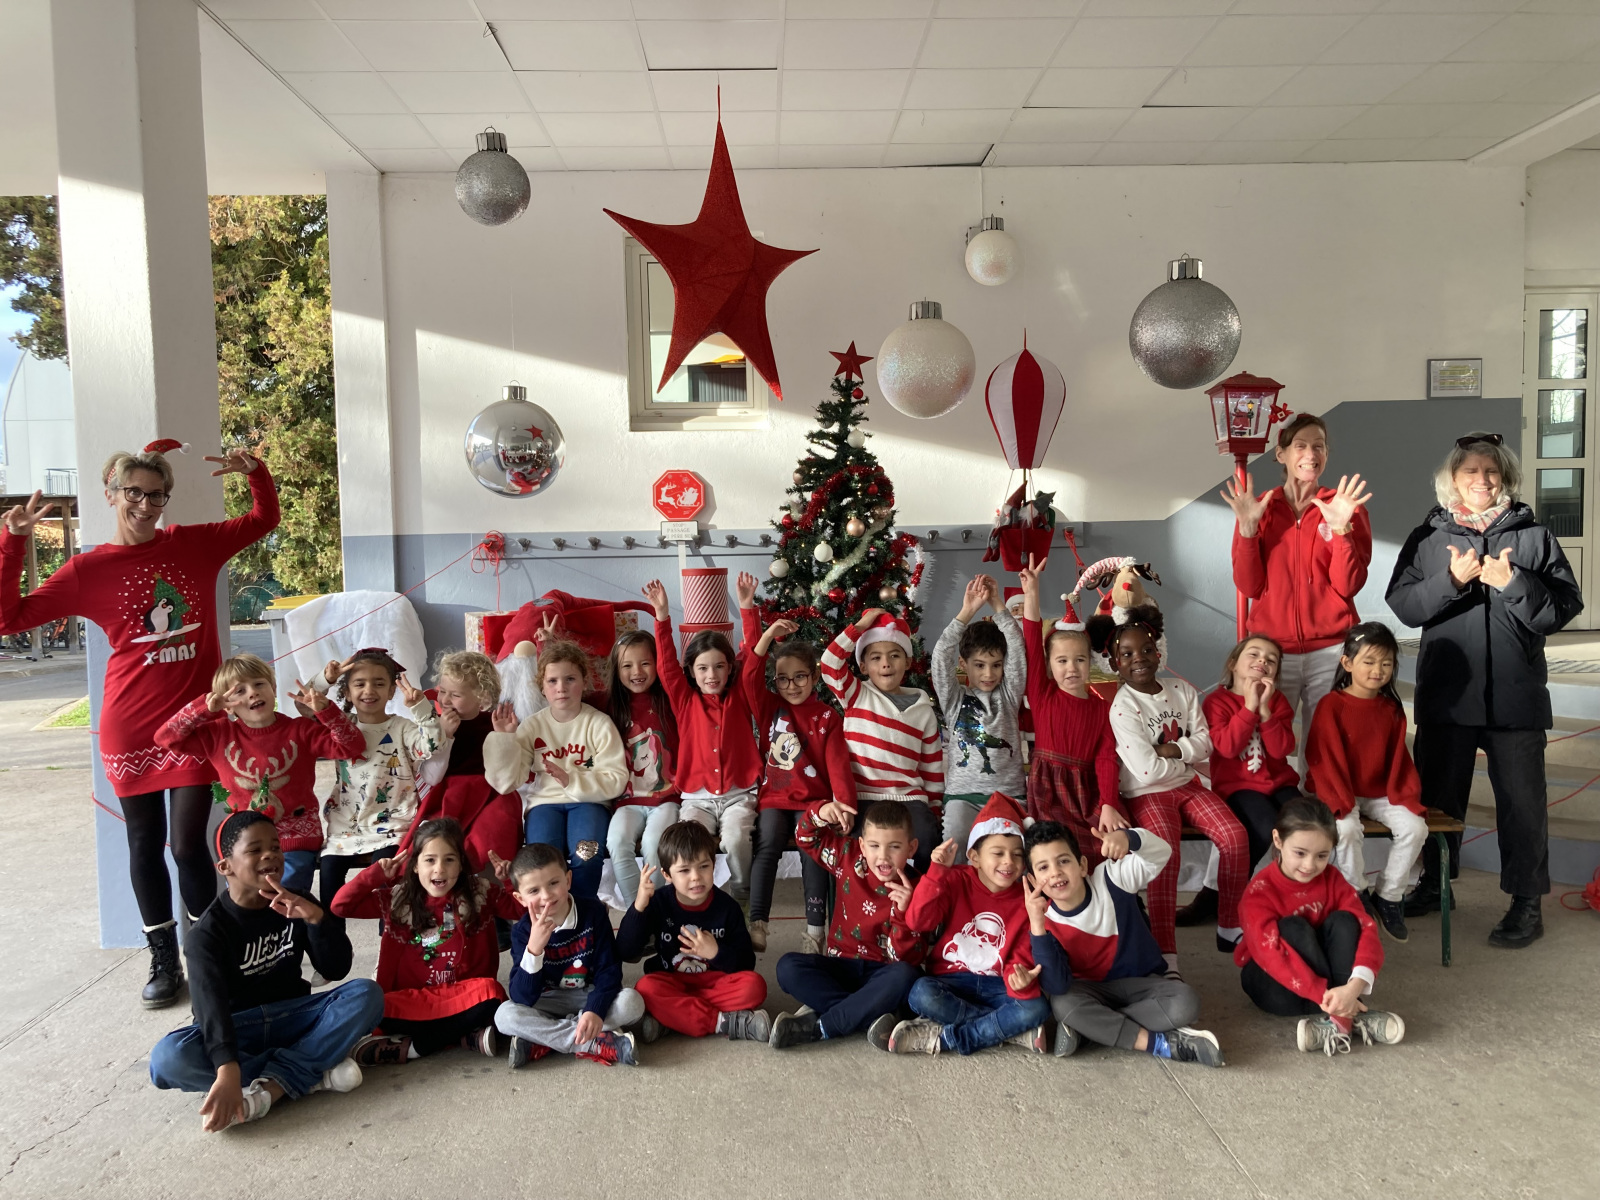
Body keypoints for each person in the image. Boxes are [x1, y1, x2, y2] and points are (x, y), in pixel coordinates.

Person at [0, 445, 278, 1006]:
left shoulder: (193, 545)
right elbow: (9, 618)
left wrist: (257, 473)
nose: (146, 505)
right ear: (111, 494)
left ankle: (210, 951)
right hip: (131, 728)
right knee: (144, 842)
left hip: (195, 725)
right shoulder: (87, 570)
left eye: (156, 495)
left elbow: (262, 520)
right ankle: (162, 958)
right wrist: (12, 542)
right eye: (134, 493)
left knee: (189, 844)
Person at [1387, 431, 1583, 949]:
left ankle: (1526, 902)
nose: (1482, 479)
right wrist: (1449, 581)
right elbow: (1403, 605)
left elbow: (1562, 609)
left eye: (1491, 471)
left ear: (1505, 478)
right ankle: (1434, 884)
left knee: (1523, 806)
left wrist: (1513, 583)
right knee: (1437, 798)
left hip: (1515, 699)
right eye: (1471, 471)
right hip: (1448, 696)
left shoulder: (1535, 536)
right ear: (1452, 480)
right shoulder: (1427, 537)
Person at [147, 811, 383, 1131]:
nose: (270, 854)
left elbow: (336, 969)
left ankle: (272, 1088)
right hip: (238, 1029)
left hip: (294, 1016)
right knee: (168, 1058)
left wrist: (316, 919)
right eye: (254, 849)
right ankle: (314, 1071)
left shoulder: (297, 902)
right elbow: (209, 1010)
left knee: (366, 994)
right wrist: (227, 1066)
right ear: (225, 866)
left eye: (275, 847)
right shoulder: (206, 935)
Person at [1096, 608, 1249, 970]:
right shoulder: (1122, 707)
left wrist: (1171, 751)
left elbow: (1206, 743)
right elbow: (1146, 771)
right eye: (1127, 654)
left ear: (1158, 652)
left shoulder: (1182, 690)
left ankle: (1229, 925)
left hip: (1188, 786)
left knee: (1235, 836)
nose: (1139, 659)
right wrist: (1184, 756)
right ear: (1115, 663)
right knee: (1165, 854)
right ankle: (1166, 952)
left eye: (1146, 650)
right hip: (1146, 794)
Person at [155, 653, 365, 893]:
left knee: (285, 900)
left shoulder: (301, 730)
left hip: (294, 839)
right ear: (227, 704)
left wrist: (326, 711)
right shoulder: (217, 734)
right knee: (246, 901)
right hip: (243, 840)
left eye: (259, 684)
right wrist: (204, 708)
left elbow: (353, 746)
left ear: (273, 688)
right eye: (239, 691)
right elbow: (165, 738)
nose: (252, 693)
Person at [1023, 820, 1223, 1067]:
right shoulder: (1044, 920)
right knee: (1063, 1004)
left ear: (1082, 865)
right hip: (1090, 991)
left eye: (1063, 861)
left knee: (1186, 1002)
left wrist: (1129, 838)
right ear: (1033, 880)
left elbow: (1161, 854)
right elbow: (1056, 985)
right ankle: (1156, 1043)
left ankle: (1090, 1030)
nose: (1055, 872)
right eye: (1043, 867)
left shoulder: (1112, 878)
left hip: (1142, 983)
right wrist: (1037, 926)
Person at [332, 817, 521, 1064]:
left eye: (449, 860)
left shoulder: (480, 893)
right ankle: (464, 1036)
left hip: (461, 996)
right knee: (370, 1006)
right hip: (412, 999)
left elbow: (521, 910)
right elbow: (340, 906)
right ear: (414, 866)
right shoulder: (397, 899)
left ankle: (415, 1047)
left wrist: (509, 881)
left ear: (461, 865)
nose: (439, 869)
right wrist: (375, 875)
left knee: (492, 993)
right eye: (430, 860)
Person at [1234, 797, 1406, 1057]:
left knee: (1347, 920)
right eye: (1300, 853)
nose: (1309, 865)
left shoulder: (1333, 879)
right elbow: (1270, 955)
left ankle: (1336, 1017)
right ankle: (1346, 1017)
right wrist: (1328, 998)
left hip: (1328, 986)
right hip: (1277, 988)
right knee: (1293, 928)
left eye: (1322, 856)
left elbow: (1367, 928)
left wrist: (1354, 988)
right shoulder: (1259, 891)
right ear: (1278, 840)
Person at [738, 574, 854, 954]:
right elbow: (750, 676)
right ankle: (758, 922)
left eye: (800, 677)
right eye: (783, 679)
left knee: (812, 850)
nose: (791, 686)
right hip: (774, 799)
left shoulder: (827, 717)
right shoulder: (770, 706)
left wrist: (844, 804)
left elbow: (838, 765)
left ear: (815, 676)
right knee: (767, 843)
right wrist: (766, 633)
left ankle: (815, 931)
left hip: (813, 804)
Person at [889, 793, 1051, 1056]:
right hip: (950, 981)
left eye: (1017, 855)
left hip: (999, 985)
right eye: (998, 853)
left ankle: (949, 1037)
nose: (1008, 862)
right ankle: (1007, 1029)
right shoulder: (954, 879)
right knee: (920, 993)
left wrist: (1018, 977)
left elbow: (1022, 950)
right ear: (974, 857)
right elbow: (918, 921)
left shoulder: (1027, 895)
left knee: (1037, 1007)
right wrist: (936, 873)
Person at [1304, 622, 1428, 942]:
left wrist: (1405, 796)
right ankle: (1356, 891)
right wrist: (1341, 801)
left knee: (1416, 828)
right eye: (1369, 661)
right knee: (1346, 830)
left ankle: (1388, 895)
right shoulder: (1332, 705)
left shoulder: (1391, 709)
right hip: (1337, 789)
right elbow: (1323, 758)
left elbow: (1398, 760)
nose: (1378, 670)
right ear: (1347, 663)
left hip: (1380, 792)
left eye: (1386, 663)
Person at [770, 799, 927, 1050]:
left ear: (911, 848)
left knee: (907, 976)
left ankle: (823, 1026)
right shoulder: (848, 856)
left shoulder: (918, 890)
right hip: (840, 966)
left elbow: (906, 959)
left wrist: (903, 913)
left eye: (894, 847)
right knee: (787, 967)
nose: (883, 856)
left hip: (883, 973)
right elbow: (805, 838)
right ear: (862, 845)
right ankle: (866, 1014)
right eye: (874, 846)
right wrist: (820, 812)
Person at [644, 578, 763, 903]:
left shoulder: (740, 695)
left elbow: (754, 656)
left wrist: (747, 607)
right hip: (697, 799)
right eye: (703, 668)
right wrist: (662, 615)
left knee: (736, 840)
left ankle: (741, 899)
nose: (712, 675)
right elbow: (666, 666)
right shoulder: (684, 699)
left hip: (739, 795)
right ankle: (696, 902)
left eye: (719, 667)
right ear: (692, 672)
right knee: (689, 847)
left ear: (729, 669)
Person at [484, 639, 627, 901]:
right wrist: (505, 739)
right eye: (552, 681)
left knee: (586, 856)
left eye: (570, 679)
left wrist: (571, 780)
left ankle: (583, 913)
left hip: (589, 803)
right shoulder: (531, 726)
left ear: (584, 682)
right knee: (542, 864)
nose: (561, 688)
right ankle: (554, 915)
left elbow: (616, 779)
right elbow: (506, 783)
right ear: (542, 687)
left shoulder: (599, 724)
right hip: (544, 805)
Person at [313, 649, 443, 918]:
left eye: (379, 683)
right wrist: (325, 680)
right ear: (347, 692)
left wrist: (420, 708)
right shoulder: (340, 725)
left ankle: (390, 940)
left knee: (389, 890)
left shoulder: (402, 727)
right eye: (359, 684)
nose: (369, 690)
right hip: (345, 827)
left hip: (393, 825)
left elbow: (432, 745)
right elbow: (306, 706)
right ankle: (331, 944)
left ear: (391, 691)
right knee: (329, 895)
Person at [495, 841, 646, 1067]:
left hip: (588, 994)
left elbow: (609, 971)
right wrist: (534, 950)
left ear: (568, 880)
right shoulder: (522, 931)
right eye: (534, 891)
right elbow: (521, 997)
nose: (546, 896)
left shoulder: (593, 912)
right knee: (504, 1016)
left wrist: (595, 1010)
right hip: (547, 1000)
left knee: (632, 1002)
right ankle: (592, 1042)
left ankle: (545, 1040)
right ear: (520, 898)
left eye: (553, 883)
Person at [616, 820, 769, 1041]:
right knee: (645, 989)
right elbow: (625, 950)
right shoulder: (658, 902)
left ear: (714, 865)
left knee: (755, 986)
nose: (696, 876)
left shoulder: (728, 907)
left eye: (703, 866)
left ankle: (674, 1020)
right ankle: (723, 1022)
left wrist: (715, 953)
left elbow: (746, 963)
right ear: (667, 875)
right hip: (672, 981)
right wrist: (639, 907)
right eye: (684, 870)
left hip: (717, 982)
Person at [821, 607, 944, 873]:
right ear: (863, 666)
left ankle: (918, 893)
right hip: (863, 796)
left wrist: (934, 808)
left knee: (926, 839)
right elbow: (830, 663)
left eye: (894, 655)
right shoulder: (855, 694)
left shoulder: (923, 710)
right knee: (858, 854)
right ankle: (864, 897)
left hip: (909, 798)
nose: (886, 663)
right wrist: (860, 626)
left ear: (908, 662)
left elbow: (932, 766)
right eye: (876, 658)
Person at [1017, 555, 1121, 860]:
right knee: (1058, 850)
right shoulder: (1042, 693)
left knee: (1102, 848)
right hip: (1048, 788)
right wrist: (1032, 593)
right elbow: (1032, 642)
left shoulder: (1103, 709)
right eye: (1062, 661)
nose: (1071, 668)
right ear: (1049, 665)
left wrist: (1109, 803)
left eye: (1079, 660)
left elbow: (1106, 759)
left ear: (1090, 663)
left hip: (1087, 792)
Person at [404, 650, 520, 872]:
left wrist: (505, 737)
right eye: (442, 691)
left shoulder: (495, 723)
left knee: (497, 828)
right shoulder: (434, 725)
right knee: (436, 839)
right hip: (449, 794)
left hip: (491, 793)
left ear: (482, 697)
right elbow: (432, 777)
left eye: (455, 695)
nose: (445, 700)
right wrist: (444, 736)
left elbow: (507, 776)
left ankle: (493, 876)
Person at [1200, 634, 1301, 887]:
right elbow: (1227, 747)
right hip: (1238, 787)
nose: (1262, 661)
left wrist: (1264, 710)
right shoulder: (1216, 702)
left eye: (1271, 660)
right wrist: (1249, 707)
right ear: (1233, 664)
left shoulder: (1278, 702)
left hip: (1280, 784)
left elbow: (1280, 750)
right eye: (1254, 654)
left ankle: (1291, 886)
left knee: (1303, 822)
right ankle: (1229, 887)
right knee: (1264, 823)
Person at [601, 630, 680, 909]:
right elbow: (562, 690)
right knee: (617, 841)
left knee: (654, 843)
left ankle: (655, 912)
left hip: (667, 798)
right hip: (627, 801)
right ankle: (637, 913)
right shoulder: (609, 705)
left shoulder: (671, 699)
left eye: (645, 663)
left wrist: (662, 617)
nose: (637, 672)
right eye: (627, 665)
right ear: (616, 669)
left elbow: (671, 662)